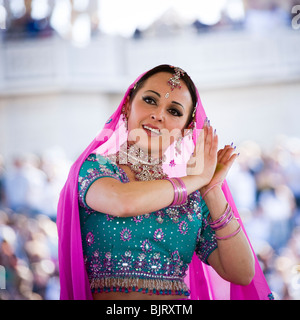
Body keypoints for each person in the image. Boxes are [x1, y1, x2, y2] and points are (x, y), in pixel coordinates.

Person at [57, 64, 273, 300]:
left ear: (185, 129)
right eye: (150, 100)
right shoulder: (94, 168)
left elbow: (242, 273)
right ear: (128, 105)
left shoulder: (191, 197)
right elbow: (122, 201)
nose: (159, 115)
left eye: (174, 111)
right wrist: (195, 179)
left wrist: (211, 190)